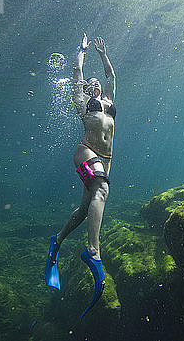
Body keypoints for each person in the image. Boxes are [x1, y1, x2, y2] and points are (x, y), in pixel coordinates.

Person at [45, 33, 116, 319]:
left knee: (86, 208)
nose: (95, 82)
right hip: (86, 151)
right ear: (85, 89)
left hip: (107, 159)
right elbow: (77, 73)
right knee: (101, 190)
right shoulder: (82, 101)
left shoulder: (109, 99)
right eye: (90, 83)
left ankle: (57, 240)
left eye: (96, 82)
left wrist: (102, 54)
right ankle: (92, 250)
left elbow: (111, 75)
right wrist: (82, 51)